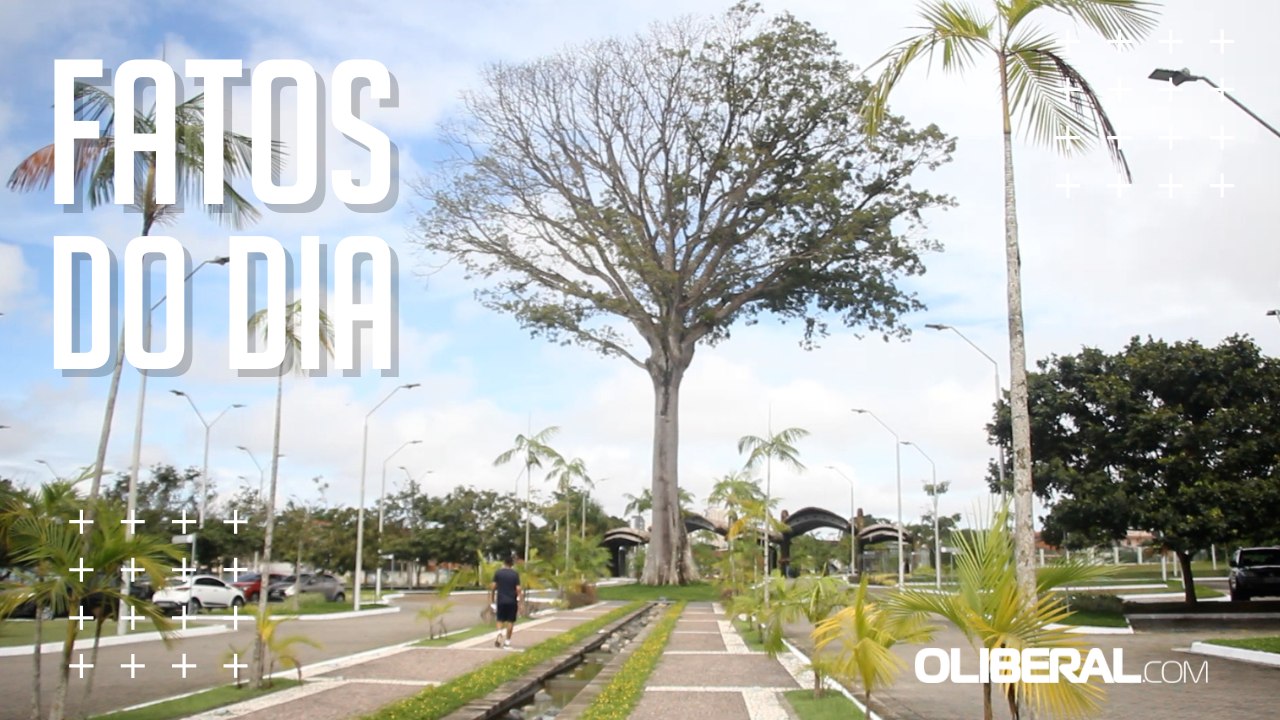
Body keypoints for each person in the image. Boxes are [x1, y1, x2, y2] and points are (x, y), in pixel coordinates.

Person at [489, 555, 521, 649]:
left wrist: (492, 600)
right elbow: (518, 588)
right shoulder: (515, 574)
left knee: (500, 619)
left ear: (504, 563)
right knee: (510, 621)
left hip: (501, 600)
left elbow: (493, 587)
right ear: (512, 564)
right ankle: (507, 643)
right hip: (512, 601)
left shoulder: (498, 573)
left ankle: (499, 633)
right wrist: (519, 599)